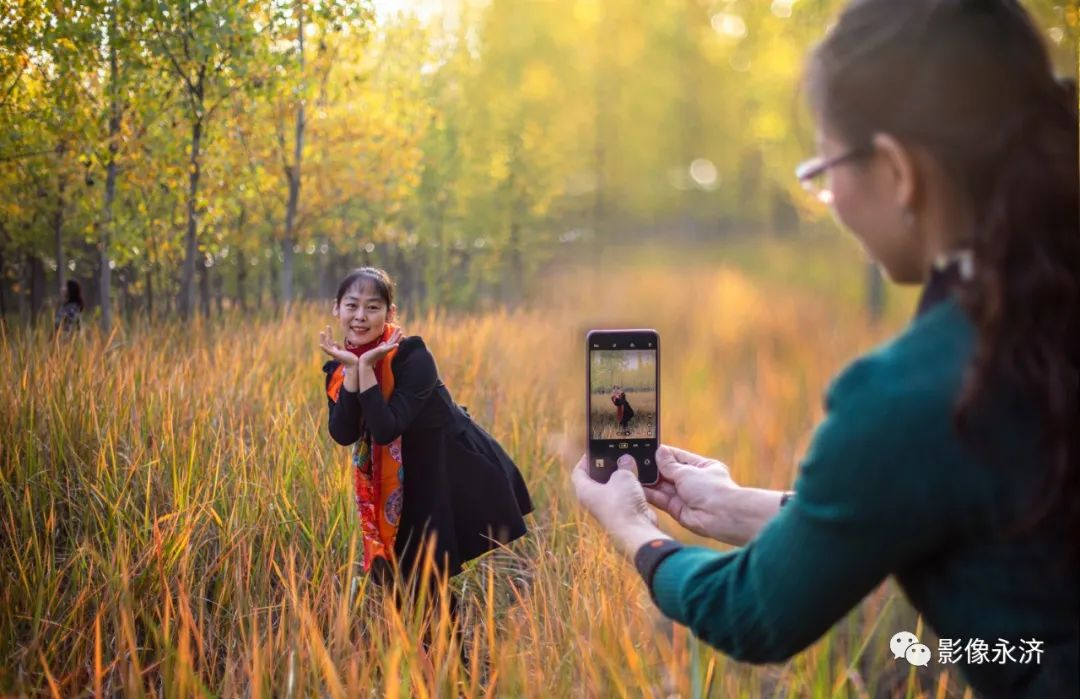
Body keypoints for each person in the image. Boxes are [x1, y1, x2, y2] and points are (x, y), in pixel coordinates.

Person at [572, 1, 1078, 697]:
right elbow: (946, 504)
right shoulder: (1037, 317)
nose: (830, 196)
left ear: (899, 171)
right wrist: (736, 504)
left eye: (823, 166)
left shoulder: (912, 391)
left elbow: (752, 611)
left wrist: (635, 532)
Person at [319, 267, 534, 626]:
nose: (360, 317)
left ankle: (450, 675)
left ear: (390, 314)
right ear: (336, 309)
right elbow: (343, 433)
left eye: (372, 307)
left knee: (425, 582)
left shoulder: (413, 357)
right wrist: (355, 371)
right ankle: (431, 672)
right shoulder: (340, 370)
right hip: (401, 486)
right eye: (351, 305)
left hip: (449, 474)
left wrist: (365, 369)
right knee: (405, 584)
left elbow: (386, 428)